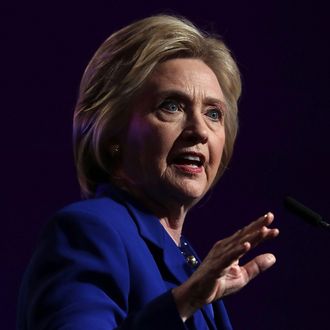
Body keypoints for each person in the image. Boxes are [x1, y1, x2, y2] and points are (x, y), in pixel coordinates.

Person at [17, 14, 279, 330]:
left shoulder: (186, 260)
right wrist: (185, 300)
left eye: (213, 113)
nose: (199, 131)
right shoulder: (90, 231)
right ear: (112, 132)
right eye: (171, 106)